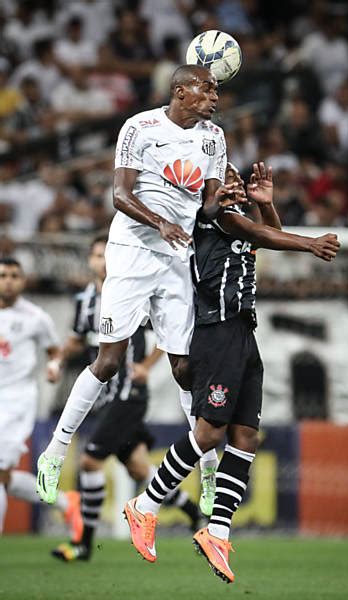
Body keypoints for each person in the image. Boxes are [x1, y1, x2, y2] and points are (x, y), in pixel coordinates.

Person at [123, 162, 340, 583]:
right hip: (216, 332)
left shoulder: (239, 221)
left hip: (243, 332)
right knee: (208, 433)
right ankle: (144, 506)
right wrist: (310, 242)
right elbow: (260, 234)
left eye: (239, 179)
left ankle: (217, 531)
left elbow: (263, 236)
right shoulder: (215, 217)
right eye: (229, 179)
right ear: (211, 188)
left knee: (245, 436)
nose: (236, 185)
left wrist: (268, 206)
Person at [36, 64, 231, 507]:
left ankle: (208, 468)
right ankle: (55, 451)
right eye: (207, 89)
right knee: (108, 362)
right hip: (131, 253)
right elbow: (120, 196)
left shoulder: (214, 138)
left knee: (184, 367)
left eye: (217, 90)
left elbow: (207, 210)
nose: (214, 98)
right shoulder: (139, 127)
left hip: (177, 256)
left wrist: (225, 200)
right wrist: (161, 222)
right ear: (181, 91)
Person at [51, 235, 205, 561]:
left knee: (90, 461)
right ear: (91, 261)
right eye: (95, 256)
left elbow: (168, 332)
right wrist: (58, 359)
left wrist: (147, 366)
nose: (101, 261)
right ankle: (192, 511)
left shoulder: (135, 289)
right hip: (105, 396)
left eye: (104, 254)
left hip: (128, 393)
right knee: (138, 467)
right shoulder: (87, 300)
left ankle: (83, 544)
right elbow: (78, 339)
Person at [0, 257, 81, 540]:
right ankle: (64, 502)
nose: (8, 280)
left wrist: (54, 366)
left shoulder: (35, 317)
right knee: (4, 478)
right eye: (3, 275)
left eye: (14, 275)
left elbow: (54, 351)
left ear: (22, 281)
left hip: (15, 400)